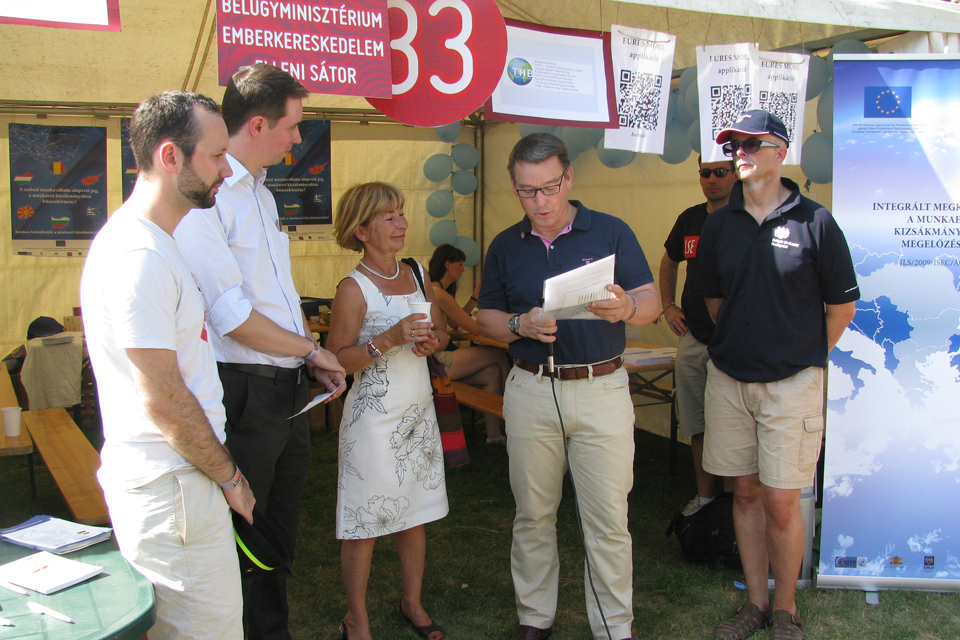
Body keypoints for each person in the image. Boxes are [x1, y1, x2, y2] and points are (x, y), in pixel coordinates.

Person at [174, 63, 346, 640]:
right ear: (256, 124)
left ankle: (272, 630)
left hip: (284, 388)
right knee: (242, 535)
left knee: (276, 533)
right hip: (242, 388)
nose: (300, 138)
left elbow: (278, 296)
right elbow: (232, 317)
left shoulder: (263, 196)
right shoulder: (210, 200)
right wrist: (314, 350)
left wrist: (305, 355)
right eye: (293, 126)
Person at [80, 91, 253, 639]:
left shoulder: (153, 243)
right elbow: (163, 396)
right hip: (173, 485)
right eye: (216, 155)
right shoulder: (140, 255)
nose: (226, 169)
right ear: (170, 155)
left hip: (174, 482)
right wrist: (229, 477)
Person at [477, 133, 660, 640]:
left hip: (601, 387)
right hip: (532, 388)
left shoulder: (610, 231)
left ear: (569, 178)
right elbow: (485, 317)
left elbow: (652, 301)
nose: (540, 202)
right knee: (533, 513)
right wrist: (520, 325)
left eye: (549, 188)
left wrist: (627, 308)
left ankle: (613, 627)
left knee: (607, 519)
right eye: (526, 191)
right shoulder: (504, 246)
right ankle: (535, 618)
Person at [697, 110, 859, 640]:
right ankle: (756, 605)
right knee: (743, 492)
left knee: (782, 499)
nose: (738, 152)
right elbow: (715, 298)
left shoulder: (816, 221)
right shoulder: (719, 222)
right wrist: (747, 341)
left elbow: (841, 309)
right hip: (730, 379)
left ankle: (786, 609)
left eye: (751, 143)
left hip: (792, 382)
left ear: (780, 151)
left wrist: (799, 353)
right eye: (732, 144)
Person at [327, 182, 450, 640]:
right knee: (364, 521)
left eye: (401, 213)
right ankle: (356, 619)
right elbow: (336, 359)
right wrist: (389, 340)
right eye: (389, 217)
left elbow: (441, 330)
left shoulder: (418, 271)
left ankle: (412, 601)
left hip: (417, 415)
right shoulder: (353, 288)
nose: (401, 223)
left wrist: (434, 340)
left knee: (413, 513)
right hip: (372, 423)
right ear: (361, 230)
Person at [659, 156, 738, 517]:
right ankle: (705, 499)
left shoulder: (747, 217)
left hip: (735, 342)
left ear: (737, 173)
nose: (711, 179)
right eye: (705, 173)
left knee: (734, 425)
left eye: (720, 172)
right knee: (696, 421)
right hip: (693, 337)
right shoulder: (690, 218)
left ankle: (733, 503)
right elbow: (669, 260)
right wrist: (667, 305)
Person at [428, 243, 511, 443]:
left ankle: (494, 435)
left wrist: (474, 297)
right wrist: (502, 325)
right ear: (448, 264)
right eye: (460, 264)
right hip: (436, 361)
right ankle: (516, 410)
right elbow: (474, 328)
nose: (463, 269)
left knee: (492, 373)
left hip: (432, 359)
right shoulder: (439, 294)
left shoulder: (434, 290)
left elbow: (454, 323)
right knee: (500, 354)